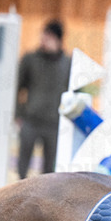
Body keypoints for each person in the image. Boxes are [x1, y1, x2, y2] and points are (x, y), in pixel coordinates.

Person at [15, 19, 72, 177]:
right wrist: (18, 114)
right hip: (31, 120)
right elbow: (17, 87)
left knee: (49, 170)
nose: (44, 40)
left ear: (58, 40)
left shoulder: (67, 64)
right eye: (44, 35)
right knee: (23, 164)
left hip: (54, 123)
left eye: (49, 37)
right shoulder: (30, 59)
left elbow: (74, 93)